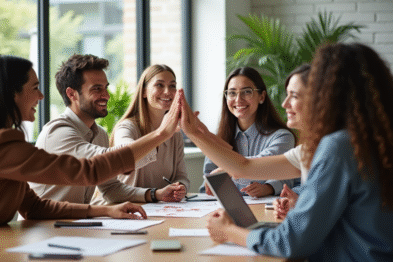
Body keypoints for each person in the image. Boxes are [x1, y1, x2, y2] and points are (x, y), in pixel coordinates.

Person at [180, 43, 393, 260]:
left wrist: (229, 231)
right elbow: (243, 167)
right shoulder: (370, 141)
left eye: (295, 95)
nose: (284, 103)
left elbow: (291, 243)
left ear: (327, 95)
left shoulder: (338, 147)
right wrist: (197, 133)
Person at [0, 54, 181, 230]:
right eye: (35, 87)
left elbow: (33, 206)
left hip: (60, 229)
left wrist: (106, 210)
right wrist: (161, 134)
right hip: (28, 236)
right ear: (11, 94)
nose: (42, 95)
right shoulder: (11, 142)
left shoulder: (0, 142)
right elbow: (90, 171)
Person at [29, 55, 183, 204]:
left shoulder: (100, 134)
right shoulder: (58, 132)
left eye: (105, 88)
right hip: (44, 227)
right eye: (97, 89)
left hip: (75, 224)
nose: (106, 96)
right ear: (72, 94)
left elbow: (110, 188)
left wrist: (155, 194)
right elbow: (110, 160)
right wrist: (161, 133)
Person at [91, 64, 189, 205]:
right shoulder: (127, 127)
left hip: (156, 209)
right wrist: (161, 134)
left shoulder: (175, 134)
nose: (168, 91)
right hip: (122, 208)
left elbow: (181, 175)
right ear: (143, 92)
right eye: (159, 85)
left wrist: (181, 187)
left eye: (172, 86)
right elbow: (124, 154)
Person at [199, 67, 296, 198]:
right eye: (232, 93)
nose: (238, 99)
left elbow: (278, 174)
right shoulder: (218, 138)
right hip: (223, 210)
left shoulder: (282, 137)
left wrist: (267, 188)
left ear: (261, 97)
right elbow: (208, 185)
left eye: (246, 92)